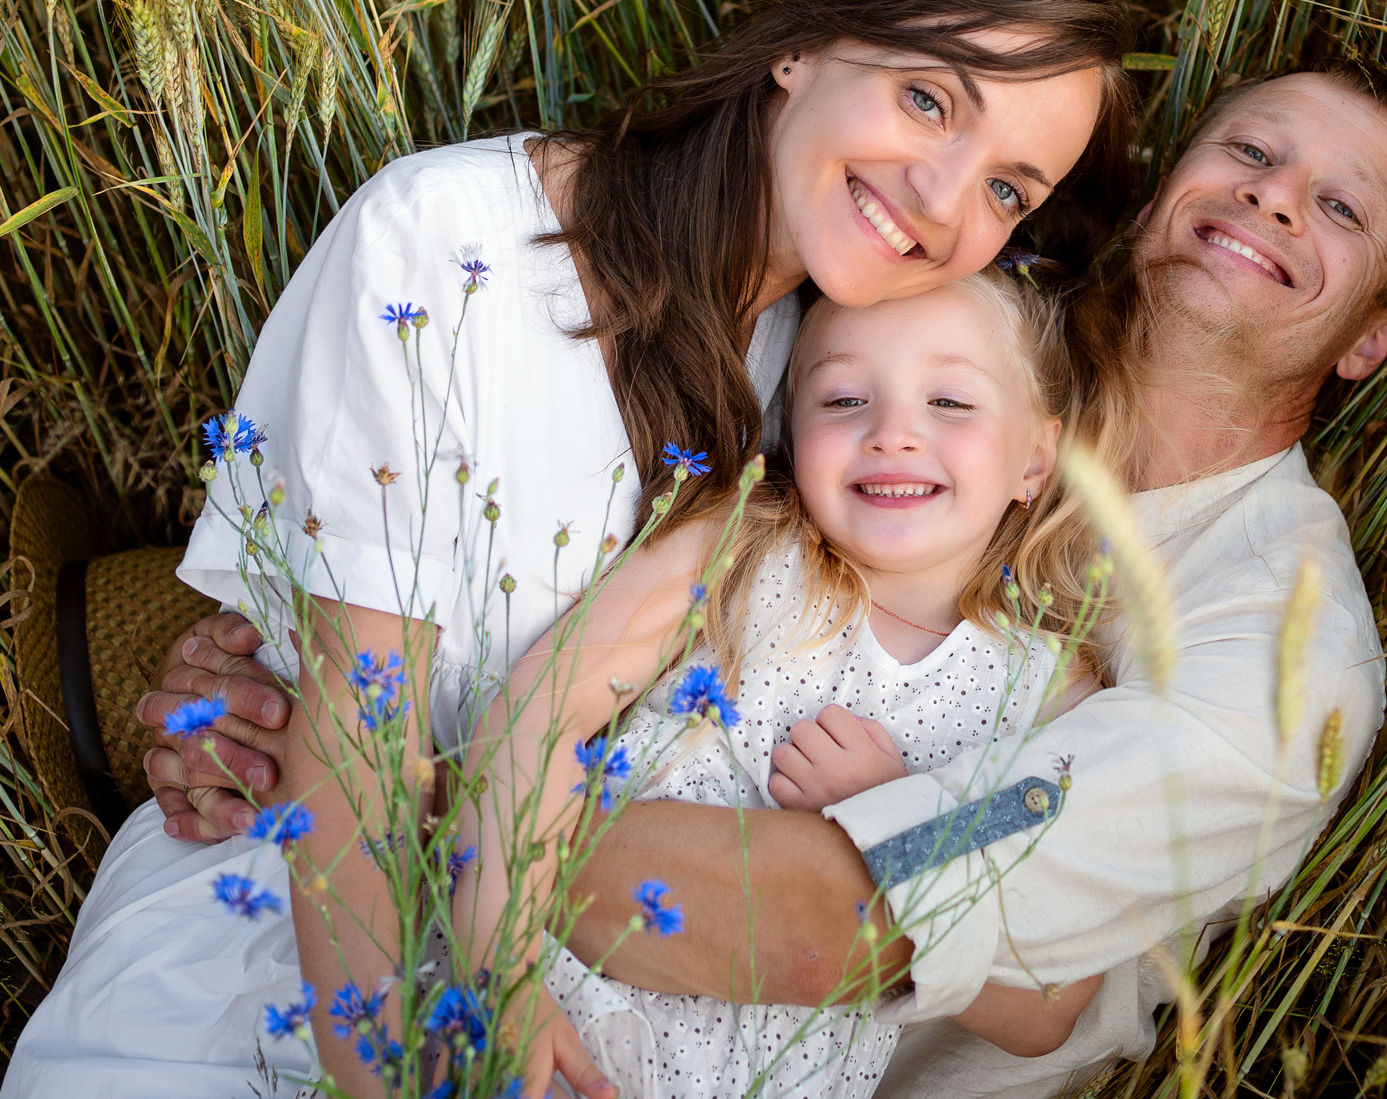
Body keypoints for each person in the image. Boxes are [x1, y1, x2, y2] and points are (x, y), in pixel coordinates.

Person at [138, 64, 1387, 1099]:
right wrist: (281, 678)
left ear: (1373, 339)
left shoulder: (1281, 651)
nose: (1276, 195)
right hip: (501, 958)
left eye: (1341, 207)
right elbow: (567, 498)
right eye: (1248, 149)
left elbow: (860, 903)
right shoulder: (930, 328)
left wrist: (385, 792)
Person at [0, 0, 1133, 1099]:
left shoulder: (830, 384)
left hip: (595, 1010)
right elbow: (352, 734)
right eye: (927, 100)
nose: (947, 203)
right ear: (800, 47)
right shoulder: (448, 244)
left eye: (1010, 189)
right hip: (294, 940)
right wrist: (454, 1041)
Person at [464, 269, 1117, 1099]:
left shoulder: (1047, 692)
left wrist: (897, 816)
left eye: (950, 402)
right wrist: (504, 982)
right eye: (844, 399)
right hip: (547, 1021)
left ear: (1035, 458)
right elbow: (537, 711)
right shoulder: (736, 546)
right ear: (790, 423)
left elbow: (1045, 1005)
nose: (893, 432)